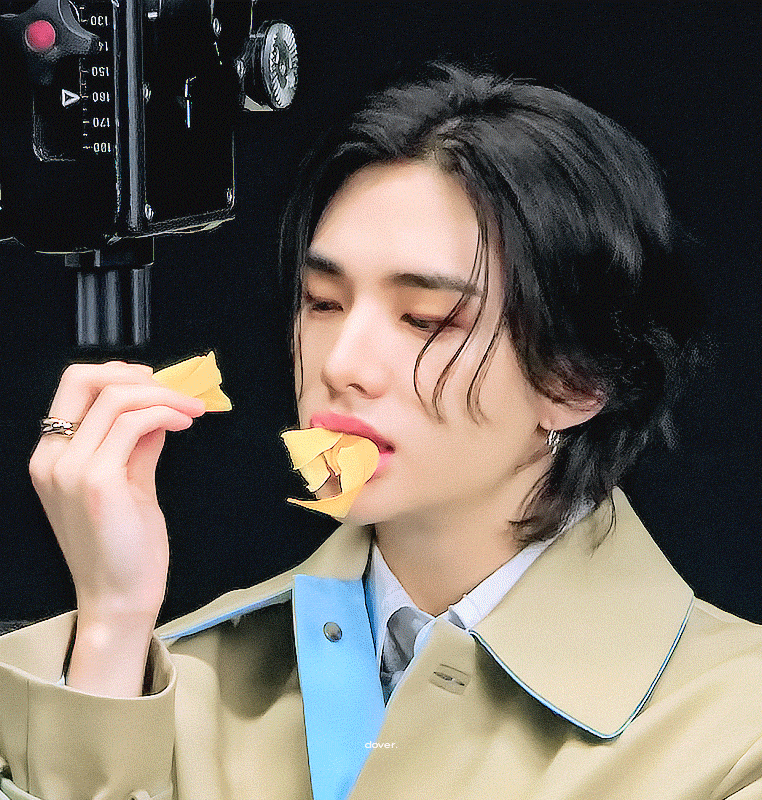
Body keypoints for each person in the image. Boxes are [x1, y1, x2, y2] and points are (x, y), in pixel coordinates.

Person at [1, 61, 761, 800]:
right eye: (322, 302)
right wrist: (112, 623)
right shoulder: (155, 684)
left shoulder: (733, 733)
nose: (343, 365)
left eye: (426, 319)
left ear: (579, 378)